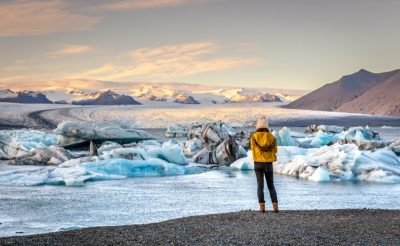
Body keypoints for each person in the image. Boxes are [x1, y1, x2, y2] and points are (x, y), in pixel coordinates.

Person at [250, 115, 279, 213]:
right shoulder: (272, 137)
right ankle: (275, 207)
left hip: (258, 164)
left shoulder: (254, 137)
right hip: (268, 164)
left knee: (260, 186)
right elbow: (275, 150)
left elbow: (252, 148)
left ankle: (262, 208)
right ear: (267, 126)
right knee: (271, 186)